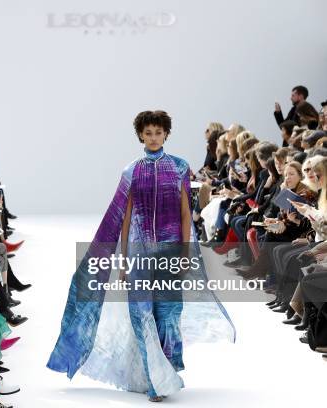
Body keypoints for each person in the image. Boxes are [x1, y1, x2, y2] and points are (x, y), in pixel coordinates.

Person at [47, 111, 236, 401]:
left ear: (166, 134)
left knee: (169, 316)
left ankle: (166, 370)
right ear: (140, 136)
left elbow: (186, 213)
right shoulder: (131, 171)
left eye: (158, 132)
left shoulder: (180, 168)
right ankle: (155, 381)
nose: (153, 137)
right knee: (141, 315)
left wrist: (185, 253)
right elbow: (125, 218)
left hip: (171, 249)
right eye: (148, 133)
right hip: (139, 253)